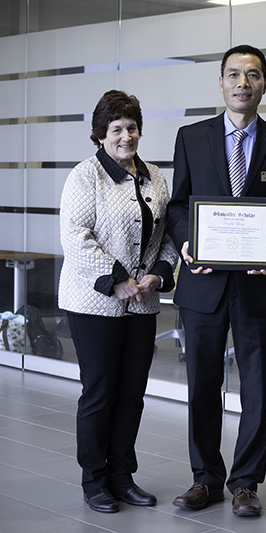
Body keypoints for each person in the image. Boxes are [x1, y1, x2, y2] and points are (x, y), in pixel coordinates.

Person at [166, 44, 266, 518]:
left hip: (257, 285)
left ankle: (245, 482)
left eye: (252, 74)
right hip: (202, 285)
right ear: (221, 83)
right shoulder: (191, 137)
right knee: (202, 385)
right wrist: (187, 243)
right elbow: (179, 206)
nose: (242, 82)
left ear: (265, 84)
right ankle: (204, 479)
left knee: (257, 388)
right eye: (233, 74)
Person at [59, 90, 179, 513]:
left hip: (143, 304)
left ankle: (122, 476)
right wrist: (116, 281)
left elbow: (168, 234)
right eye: (116, 129)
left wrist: (160, 273)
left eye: (131, 127)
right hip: (94, 304)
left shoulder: (155, 176)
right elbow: (75, 237)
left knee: (132, 393)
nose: (125, 136)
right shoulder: (84, 176)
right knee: (100, 392)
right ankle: (94, 481)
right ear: (99, 135)